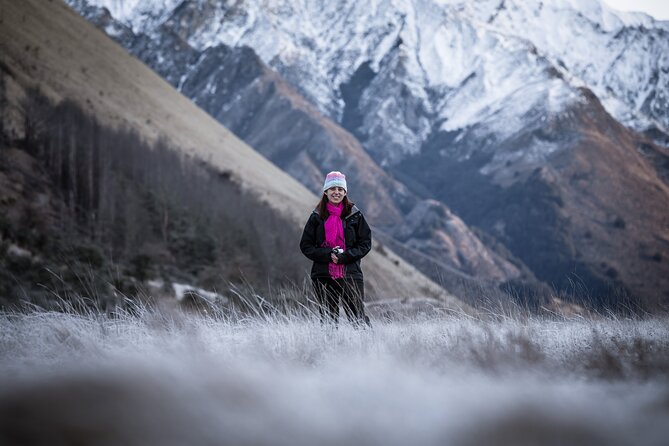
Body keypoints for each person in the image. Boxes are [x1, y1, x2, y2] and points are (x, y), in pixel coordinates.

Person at [299, 171, 372, 327]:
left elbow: (365, 243)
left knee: (358, 319)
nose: (336, 192)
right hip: (323, 275)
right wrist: (328, 254)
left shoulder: (355, 215)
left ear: (345, 192)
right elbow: (305, 245)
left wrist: (346, 256)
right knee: (328, 321)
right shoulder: (316, 216)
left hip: (351, 274)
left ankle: (370, 349)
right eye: (332, 189)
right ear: (326, 191)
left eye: (340, 189)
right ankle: (329, 351)